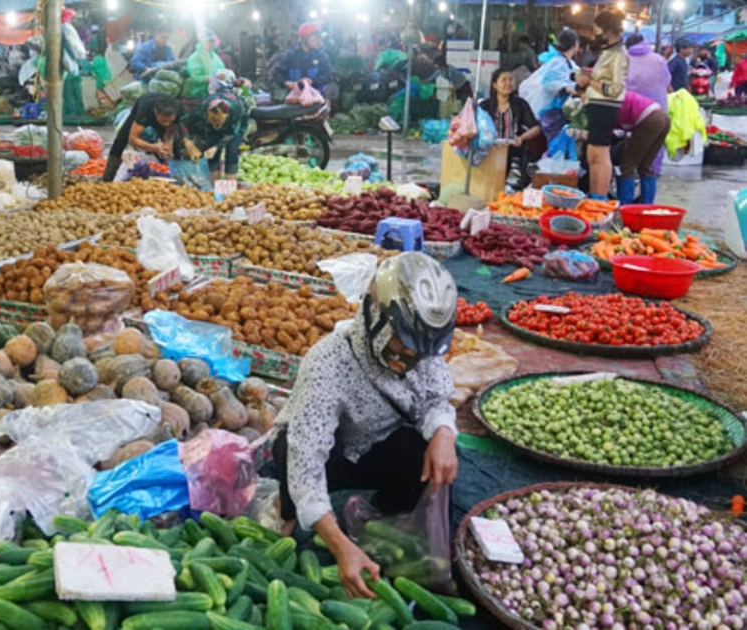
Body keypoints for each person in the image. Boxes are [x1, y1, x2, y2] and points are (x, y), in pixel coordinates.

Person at [271, 252, 459, 599]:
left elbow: (436, 399)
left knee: (425, 449)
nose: (407, 360)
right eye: (400, 347)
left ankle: (384, 525)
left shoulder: (423, 348)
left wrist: (444, 433)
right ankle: (293, 518)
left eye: (416, 354)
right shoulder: (328, 362)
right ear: (374, 316)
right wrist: (340, 546)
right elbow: (308, 465)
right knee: (288, 453)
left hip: (377, 446)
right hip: (329, 457)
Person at [575, 11, 628, 200]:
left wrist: (589, 81)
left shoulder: (619, 54)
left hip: (606, 107)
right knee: (592, 154)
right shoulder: (608, 51)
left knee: (600, 152)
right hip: (596, 105)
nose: (595, 33)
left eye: (597, 29)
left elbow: (614, 88)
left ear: (607, 30)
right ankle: (594, 194)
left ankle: (600, 197)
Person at [481, 68, 542, 189]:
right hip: (490, 150)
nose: (508, 83)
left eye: (510, 80)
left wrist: (521, 138)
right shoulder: (485, 106)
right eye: (503, 80)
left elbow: (536, 128)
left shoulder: (520, 104)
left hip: (513, 149)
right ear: (494, 85)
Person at [103, 92, 181, 182]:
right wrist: (153, 147)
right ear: (155, 113)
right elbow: (132, 139)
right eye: (163, 120)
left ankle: (175, 177)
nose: (166, 124)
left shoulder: (178, 110)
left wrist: (169, 142)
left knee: (175, 147)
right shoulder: (145, 110)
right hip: (144, 103)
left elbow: (172, 129)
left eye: (170, 120)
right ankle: (107, 179)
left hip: (165, 115)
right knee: (121, 140)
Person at [520, 29, 580, 141]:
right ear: (575, 45)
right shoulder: (558, 62)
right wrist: (566, 88)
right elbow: (548, 83)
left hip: (558, 114)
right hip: (551, 114)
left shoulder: (566, 63)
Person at [625, 33, 671, 178]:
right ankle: (648, 195)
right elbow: (667, 80)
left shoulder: (624, 60)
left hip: (632, 111)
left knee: (627, 163)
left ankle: (626, 197)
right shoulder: (659, 60)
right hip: (659, 112)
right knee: (651, 158)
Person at [615, 91, 671, 205]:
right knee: (646, 164)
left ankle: (625, 206)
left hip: (650, 120)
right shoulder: (617, 92)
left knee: (627, 165)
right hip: (663, 118)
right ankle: (647, 205)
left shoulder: (605, 97)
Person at [182, 90, 247, 182]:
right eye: (212, 122)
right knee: (212, 154)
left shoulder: (235, 111)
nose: (215, 125)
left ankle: (230, 188)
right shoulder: (201, 110)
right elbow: (182, 124)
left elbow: (233, 134)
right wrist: (188, 142)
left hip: (235, 128)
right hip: (214, 128)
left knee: (232, 152)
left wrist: (216, 147)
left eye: (218, 122)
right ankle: (213, 187)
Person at [271, 23, 337, 107]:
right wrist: (286, 82)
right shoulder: (290, 55)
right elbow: (277, 73)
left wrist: (312, 81)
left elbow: (328, 76)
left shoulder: (322, 56)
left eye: (320, 38)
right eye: (316, 37)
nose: (319, 41)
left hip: (316, 100)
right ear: (305, 38)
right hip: (294, 100)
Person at [186, 29, 226, 99]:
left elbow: (222, 70)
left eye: (213, 41)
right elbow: (193, 78)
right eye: (209, 41)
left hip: (215, 91)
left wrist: (223, 76)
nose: (212, 43)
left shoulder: (215, 57)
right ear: (202, 42)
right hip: (199, 93)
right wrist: (207, 78)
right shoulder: (195, 58)